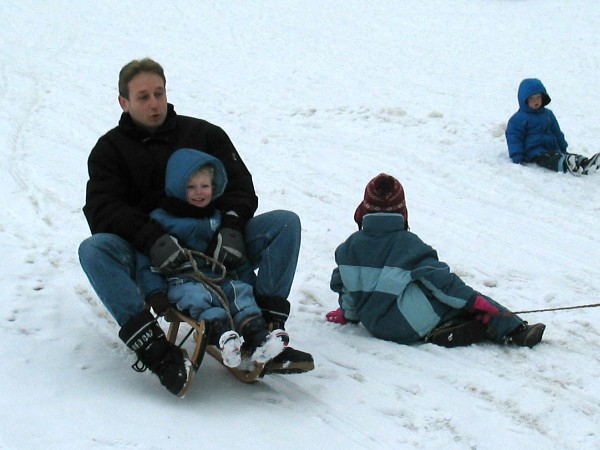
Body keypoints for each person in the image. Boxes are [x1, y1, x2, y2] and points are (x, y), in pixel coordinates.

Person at [78, 57, 313, 397]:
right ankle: (157, 352)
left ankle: (266, 332)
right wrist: (152, 238)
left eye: (159, 93)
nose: (154, 102)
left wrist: (231, 225)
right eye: (143, 97)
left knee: (284, 224)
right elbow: (103, 208)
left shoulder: (203, 134)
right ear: (124, 102)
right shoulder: (109, 150)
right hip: (154, 257)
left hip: (216, 240)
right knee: (94, 250)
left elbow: (240, 186)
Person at [326, 173, 546, 349]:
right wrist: (475, 302)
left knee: (412, 286)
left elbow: (346, 289)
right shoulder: (408, 245)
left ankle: (453, 326)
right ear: (402, 210)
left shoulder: (348, 248)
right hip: (407, 323)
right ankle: (512, 330)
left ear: (365, 208)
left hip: (374, 325)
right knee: (451, 298)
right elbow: (443, 282)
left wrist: (348, 315)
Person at [136, 148, 290, 369]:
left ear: (214, 188)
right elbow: (146, 261)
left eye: (205, 186)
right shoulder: (161, 219)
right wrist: (154, 293)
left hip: (218, 275)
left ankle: (259, 338)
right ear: (178, 188)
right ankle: (223, 337)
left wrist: (249, 282)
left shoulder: (216, 217)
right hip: (183, 279)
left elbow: (237, 258)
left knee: (240, 294)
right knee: (199, 298)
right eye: (191, 187)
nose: (199, 192)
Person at [505, 78, 599, 175]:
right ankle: (567, 165)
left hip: (552, 147)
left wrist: (563, 146)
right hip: (534, 152)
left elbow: (557, 132)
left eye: (538, 97)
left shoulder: (548, 114)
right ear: (524, 100)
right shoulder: (518, 119)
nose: (536, 101)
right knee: (549, 159)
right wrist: (517, 155)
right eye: (531, 98)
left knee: (565, 155)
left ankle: (584, 163)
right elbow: (514, 138)